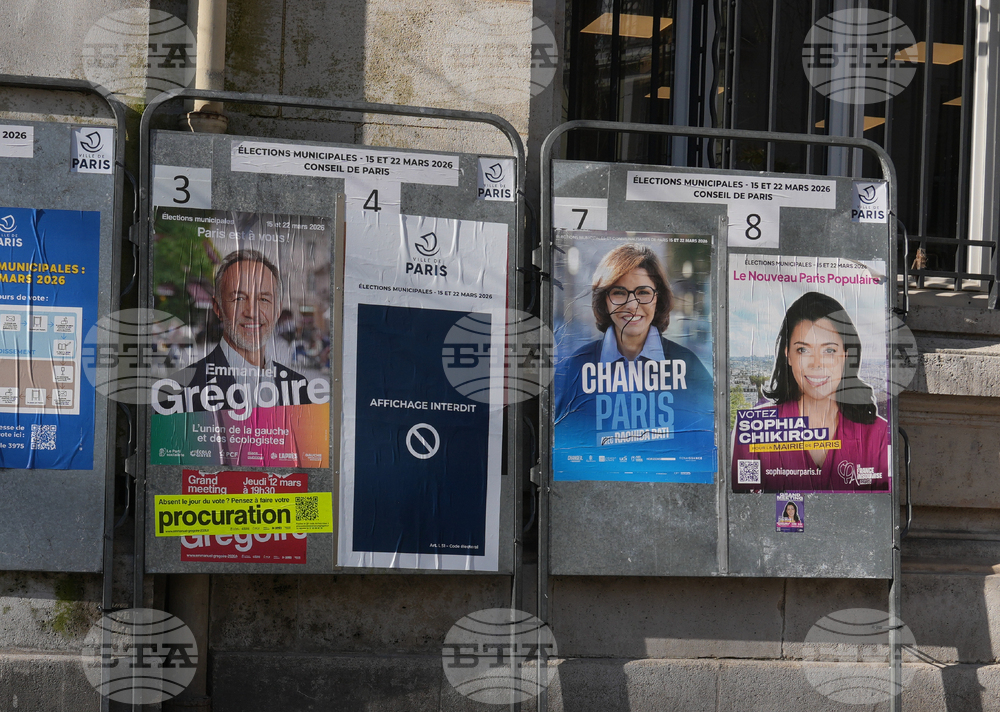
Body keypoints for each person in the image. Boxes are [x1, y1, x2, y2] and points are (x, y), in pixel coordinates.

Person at [553, 243, 714, 473]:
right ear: (604, 299)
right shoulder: (576, 367)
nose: (632, 305)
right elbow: (561, 452)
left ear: (658, 298)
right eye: (619, 292)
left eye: (643, 293)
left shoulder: (688, 367)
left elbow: (706, 449)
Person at [731, 292, 889, 492]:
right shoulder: (754, 429)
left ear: (846, 355)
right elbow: (745, 508)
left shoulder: (878, 433)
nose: (816, 364)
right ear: (787, 355)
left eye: (829, 350)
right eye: (803, 350)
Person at [167, 249, 317, 412]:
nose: (252, 312)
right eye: (239, 298)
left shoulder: (300, 389)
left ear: (277, 310)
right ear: (218, 308)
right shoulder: (180, 391)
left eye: (264, 299)